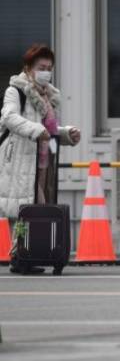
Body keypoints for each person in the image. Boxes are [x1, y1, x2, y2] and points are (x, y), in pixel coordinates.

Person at [0, 45, 81, 239]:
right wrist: (37, 130)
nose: (46, 72)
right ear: (28, 68)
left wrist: (67, 134)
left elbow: (50, 131)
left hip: (43, 163)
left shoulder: (48, 96)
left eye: (49, 68)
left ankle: (26, 253)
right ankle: (21, 253)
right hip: (21, 160)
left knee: (33, 211)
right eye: (41, 67)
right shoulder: (16, 91)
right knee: (25, 211)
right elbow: (9, 117)